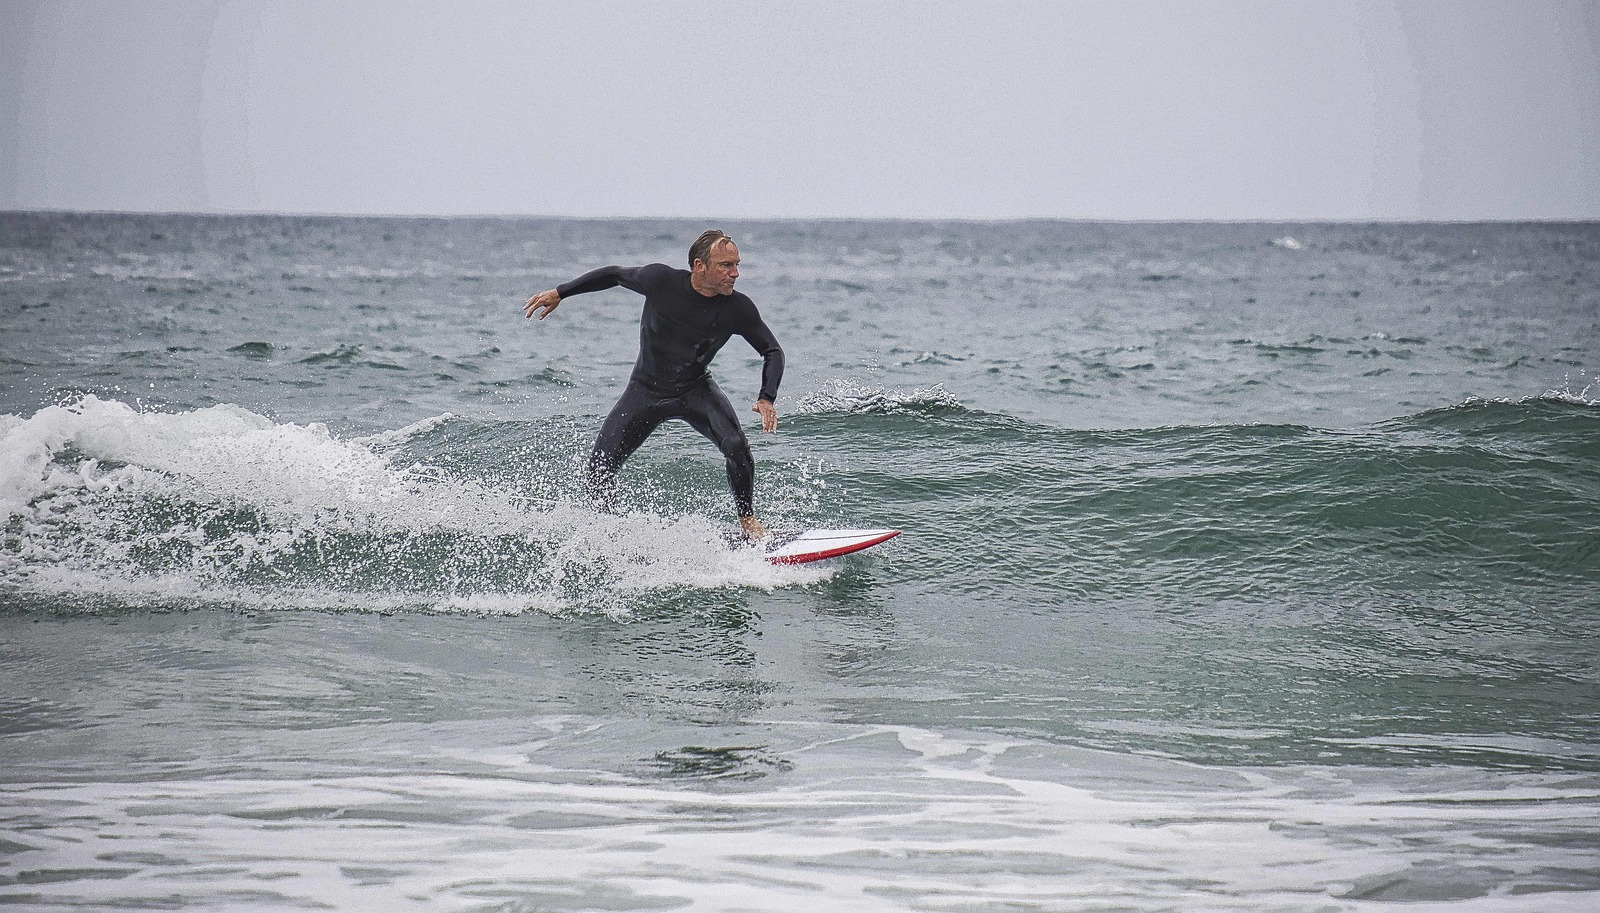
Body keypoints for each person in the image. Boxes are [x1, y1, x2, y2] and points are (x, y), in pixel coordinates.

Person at [523, 230, 784, 540]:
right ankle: (605, 532)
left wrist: (766, 397)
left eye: (737, 265)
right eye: (726, 265)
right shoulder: (661, 281)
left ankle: (748, 522)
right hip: (645, 389)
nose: (735, 273)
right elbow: (614, 275)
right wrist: (561, 292)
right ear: (699, 266)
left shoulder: (737, 308)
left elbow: (772, 351)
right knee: (599, 466)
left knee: (736, 446)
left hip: (695, 389)